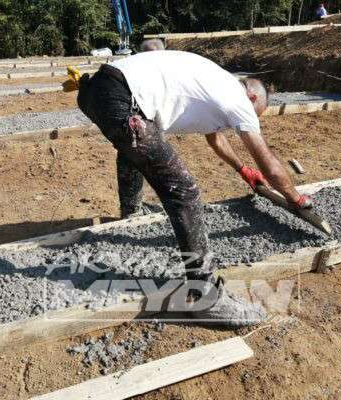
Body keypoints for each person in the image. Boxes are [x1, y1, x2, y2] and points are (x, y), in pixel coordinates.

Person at [73, 51, 313, 326]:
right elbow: (268, 163)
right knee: (184, 191)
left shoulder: (216, 82)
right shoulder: (238, 99)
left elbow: (216, 140)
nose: (248, 120)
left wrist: (242, 169)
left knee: (133, 145)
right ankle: (205, 296)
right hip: (122, 98)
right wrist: (295, 198)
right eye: (254, 115)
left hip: (97, 91)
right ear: (252, 98)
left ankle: (132, 212)